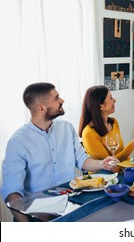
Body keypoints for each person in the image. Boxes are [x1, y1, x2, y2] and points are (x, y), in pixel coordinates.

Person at [1, 83, 116, 222]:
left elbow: (82, 160)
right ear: (42, 108)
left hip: (72, 204)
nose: (62, 101)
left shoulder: (67, 128)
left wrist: (102, 164)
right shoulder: (18, 142)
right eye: (56, 98)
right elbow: (12, 192)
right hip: (38, 215)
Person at [79, 85, 134, 162]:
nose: (115, 100)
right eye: (111, 98)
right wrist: (133, 144)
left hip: (123, 169)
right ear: (101, 106)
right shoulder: (89, 133)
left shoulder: (113, 123)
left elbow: (122, 154)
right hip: (104, 174)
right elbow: (109, 163)